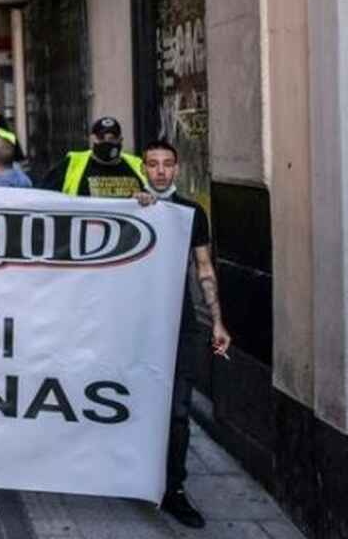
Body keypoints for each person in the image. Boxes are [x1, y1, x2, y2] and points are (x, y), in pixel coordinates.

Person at [135, 140, 230, 529]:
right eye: (152, 164)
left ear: (177, 168)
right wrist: (136, 207)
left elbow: (204, 268)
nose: (160, 171)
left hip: (180, 325)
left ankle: (173, 488)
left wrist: (217, 321)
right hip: (135, 325)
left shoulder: (192, 213)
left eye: (167, 164)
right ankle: (135, 476)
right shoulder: (130, 207)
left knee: (177, 412)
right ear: (143, 168)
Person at [41, 116, 147, 197]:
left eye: (112, 138)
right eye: (101, 138)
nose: (106, 142)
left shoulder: (137, 165)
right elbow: (43, 194)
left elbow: (155, 194)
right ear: (92, 139)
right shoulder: (72, 163)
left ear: (120, 140)